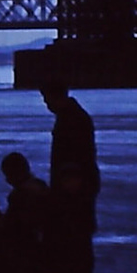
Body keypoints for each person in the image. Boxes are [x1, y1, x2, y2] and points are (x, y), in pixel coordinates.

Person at [42, 84, 99, 233]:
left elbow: (76, 155)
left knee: (74, 231)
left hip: (73, 185)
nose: (47, 106)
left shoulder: (71, 119)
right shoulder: (73, 116)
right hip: (77, 183)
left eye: (47, 101)